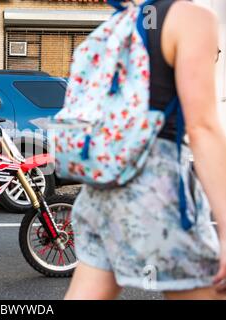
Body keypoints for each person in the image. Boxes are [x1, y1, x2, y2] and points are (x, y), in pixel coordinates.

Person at [65, 0, 226, 300]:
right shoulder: (191, 18)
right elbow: (202, 127)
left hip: (100, 191)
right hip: (156, 189)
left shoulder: (114, 26)